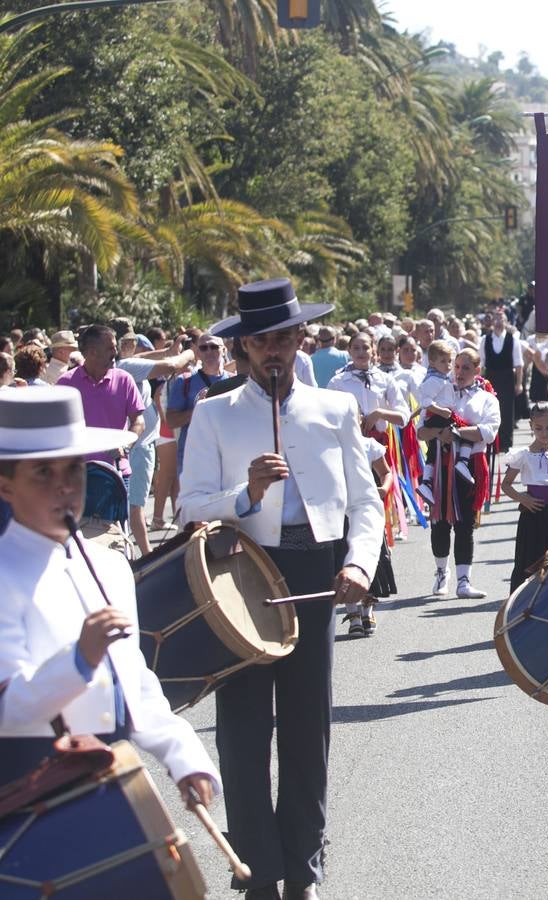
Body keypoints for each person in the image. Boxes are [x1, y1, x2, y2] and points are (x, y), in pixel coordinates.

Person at [178, 278, 383, 900]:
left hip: (316, 577)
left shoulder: (335, 410)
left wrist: (359, 567)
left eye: (282, 338)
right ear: (241, 348)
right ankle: (257, 870)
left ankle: (305, 865)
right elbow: (190, 506)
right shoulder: (215, 413)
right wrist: (246, 495)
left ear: (299, 340)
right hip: (241, 577)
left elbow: (367, 503)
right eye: (259, 340)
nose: (272, 350)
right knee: (241, 731)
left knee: (307, 728)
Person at [0, 387, 221, 810]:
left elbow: (131, 677)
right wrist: (79, 659)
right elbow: (7, 710)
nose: (64, 486)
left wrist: (183, 756)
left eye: (74, 470)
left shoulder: (108, 566)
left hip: (105, 788)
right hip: (20, 798)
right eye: (42, 473)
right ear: (6, 488)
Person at [326, 332, 410, 633]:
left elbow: (403, 415)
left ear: (374, 351)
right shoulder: (338, 382)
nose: (362, 352)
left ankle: (369, 600)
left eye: (366, 347)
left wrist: (377, 412)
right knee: (347, 532)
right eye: (356, 347)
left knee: (373, 529)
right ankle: (353, 610)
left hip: (377, 446)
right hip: (344, 448)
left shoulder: (386, 379)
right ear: (349, 350)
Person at [416, 347, 500, 599]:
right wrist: (439, 433)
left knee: (465, 525)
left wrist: (457, 433)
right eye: (457, 366)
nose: (460, 372)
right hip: (441, 464)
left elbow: (489, 432)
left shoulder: (487, 399)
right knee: (439, 522)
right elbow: (421, 430)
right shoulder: (441, 388)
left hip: (470, 464)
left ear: (477, 370)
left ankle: (464, 580)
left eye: (466, 368)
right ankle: (442, 572)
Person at [115, 334, 195, 555]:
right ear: (126, 345)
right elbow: (170, 365)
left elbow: (148, 357)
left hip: (142, 444)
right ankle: (145, 554)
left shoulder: (124, 363)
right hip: (139, 446)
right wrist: (190, 352)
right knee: (136, 505)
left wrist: (171, 349)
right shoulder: (127, 365)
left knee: (134, 503)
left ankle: (138, 550)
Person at [57, 325, 145, 496]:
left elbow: (139, 421)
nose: (116, 352)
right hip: (76, 476)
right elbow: (56, 428)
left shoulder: (124, 380)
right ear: (91, 353)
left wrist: (125, 446)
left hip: (116, 473)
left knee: (117, 524)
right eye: (110, 348)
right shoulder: (65, 383)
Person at [501, 403, 548, 592]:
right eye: (539, 428)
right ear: (531, 426)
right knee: (529, 559)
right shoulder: (522, 455)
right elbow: (505, 485)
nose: (544, 433)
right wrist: (523, 499)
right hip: (533, 515)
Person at [164, 333, 227, 474]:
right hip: (193, 460)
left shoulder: (235, 381)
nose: (209, 351)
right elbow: (171, 421)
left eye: (214, 347)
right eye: (204, 348)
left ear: (224, 350)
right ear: (198, 353)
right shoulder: (184, 381)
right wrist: (198, 409)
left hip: (227, 457)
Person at [479, 309, 524, 450]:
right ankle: (492, 443)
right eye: (496, 319)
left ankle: (505, 443)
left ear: (506, 322)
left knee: (507, 411)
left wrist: (519, 384)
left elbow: (519, 364)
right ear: (492, 322)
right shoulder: (485, 339)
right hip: (490, 379)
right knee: (490, 411)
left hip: (507, 379)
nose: (499, 322)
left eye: (502, 319)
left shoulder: (513, 339)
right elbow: (480, 364)